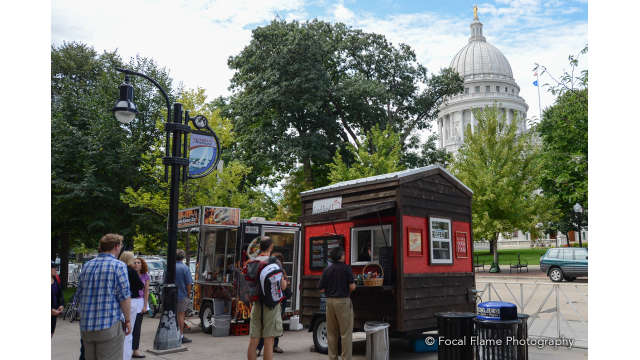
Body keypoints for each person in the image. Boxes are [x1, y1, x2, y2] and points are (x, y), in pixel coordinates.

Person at [77, 233, 132, 360]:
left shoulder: (87, 265)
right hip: (109, 324)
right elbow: (124, 297)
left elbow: (79, 294)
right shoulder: (118, 266)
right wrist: (128, 320)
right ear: (117, 246)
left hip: (86, 326)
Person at [247, 237, 287, 360]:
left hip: (256, 304)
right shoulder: (274, 262)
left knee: (254, 340)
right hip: (271, 305)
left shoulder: (252, 262)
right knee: (269, 341)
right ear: (271, 247)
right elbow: (283, 286)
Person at [318, 247, 356, 360]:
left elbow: (321, 289)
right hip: (343, 301)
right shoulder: (346, 268)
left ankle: (332, 357)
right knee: (346, 333)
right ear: (341, 256)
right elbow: (352, 287)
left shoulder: (327, 270)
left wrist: (330, 289)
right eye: (344, 254)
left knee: (331, 333)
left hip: (329, 302)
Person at [257, 252, 290, 356]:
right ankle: (269, 346)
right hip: (277, 301)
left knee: (272, 325)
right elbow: (284, 285)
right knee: (272, 325)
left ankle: (264, 347)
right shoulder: (278, 271)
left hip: (274, 300)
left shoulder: (270, 270)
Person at [119, 251, 145, 360]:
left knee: (120, 329)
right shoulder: (131, 271)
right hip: (132, 300)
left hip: (119, 301)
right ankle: (126, 356)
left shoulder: (119, 269)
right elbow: (140, 286)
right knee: (129, 330)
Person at [132, 257, 150, 358]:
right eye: (134, 262)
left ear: (142, 264)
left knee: (137, 328)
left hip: (140, 302)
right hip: (130, 302)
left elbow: (146, 291)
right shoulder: (129, 274)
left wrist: (145, 305)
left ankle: (135, 350)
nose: (136, 264)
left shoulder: (145, 276)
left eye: (138, 262)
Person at [175, 249, 193, 344]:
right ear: (183, 257)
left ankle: (172, 334)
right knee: (181, 315)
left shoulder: (169, 267)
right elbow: (189, 283)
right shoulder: (185, 268)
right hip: (182, 295)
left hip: (170, 296)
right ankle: (180, 336)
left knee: (173, 315)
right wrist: (188, 295)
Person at [51, 261, 64, 337]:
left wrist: (61, 305)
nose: (56, 269)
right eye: (53, 267)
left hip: (54, 313)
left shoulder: (56, 280)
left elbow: (60, 295)